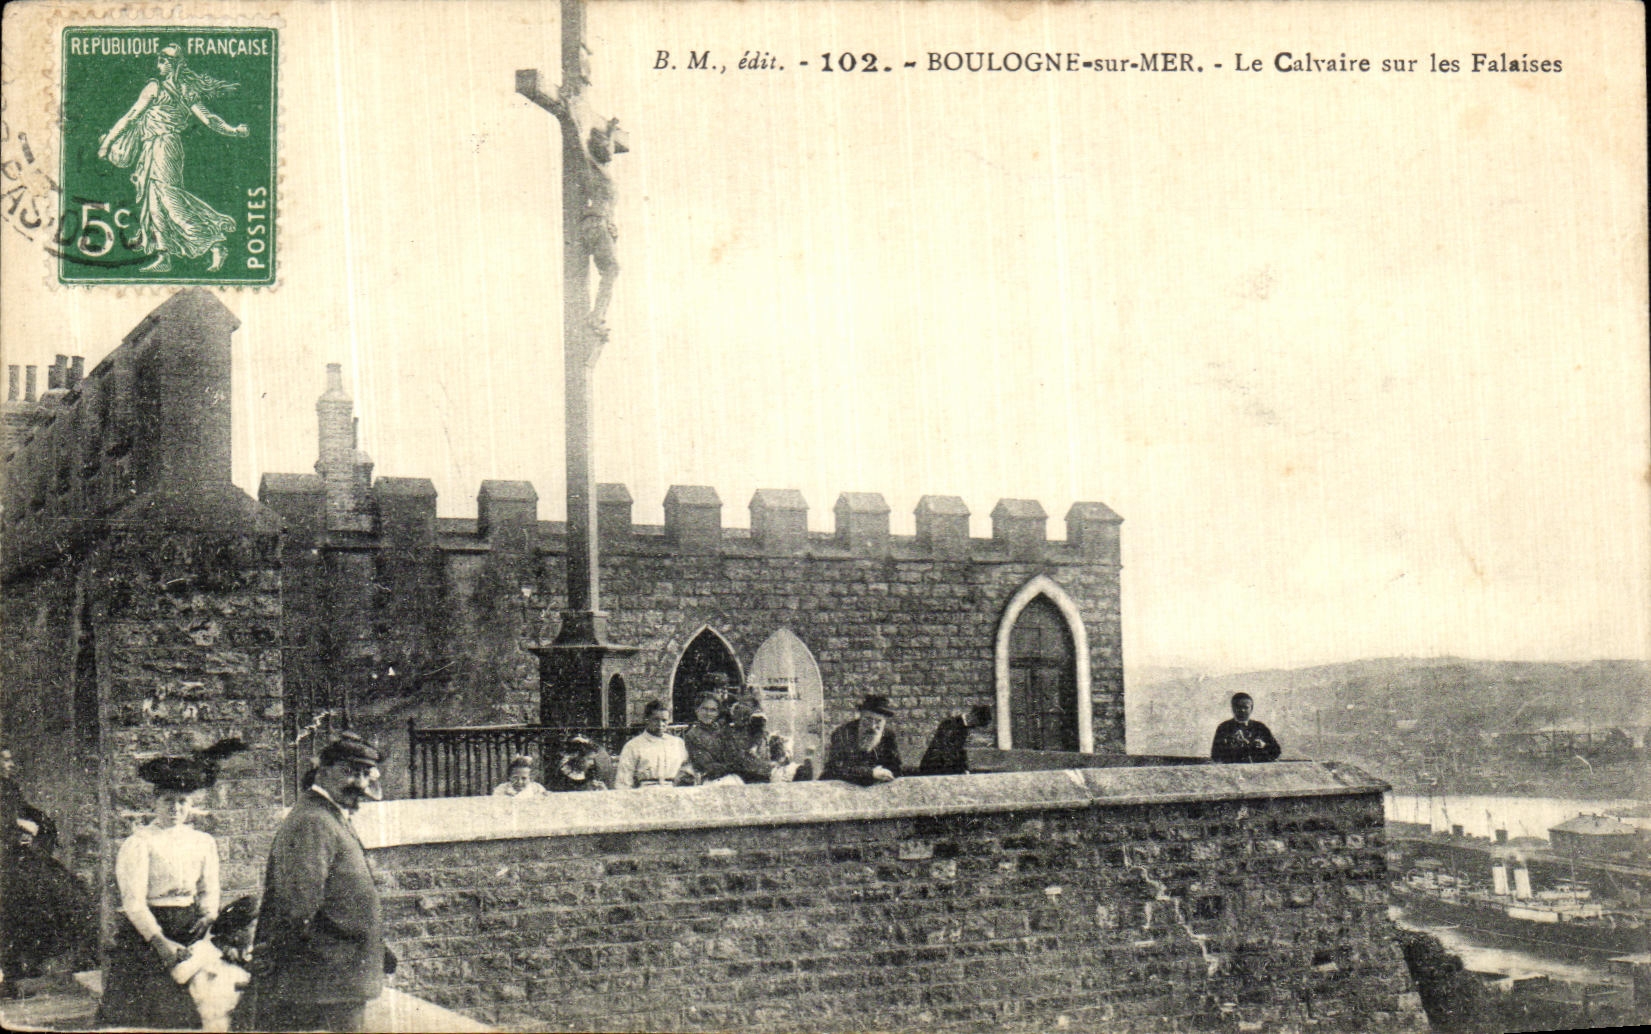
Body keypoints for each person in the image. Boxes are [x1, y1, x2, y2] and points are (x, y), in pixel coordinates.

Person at [94, 738, 244, 1030]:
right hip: (150, 933)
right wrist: (160, 942)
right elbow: (134, 903)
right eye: (168, 801)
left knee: (193, 1008)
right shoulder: (140, 843)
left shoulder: (203, 841)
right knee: (147, 1011)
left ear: (191, 804)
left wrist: (208, 914)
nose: (175, 808)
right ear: (155, 802)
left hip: (189, 927)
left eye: (182, 801)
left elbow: (209, 888)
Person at [250, 733, 389, 1032]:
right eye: (349, 771)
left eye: (365, 774)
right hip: (323, 978)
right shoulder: (313, 820)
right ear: (322, 771)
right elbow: (297, 905)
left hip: (337, 976)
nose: (360, 783)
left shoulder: (330, 816)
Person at [97, 44, 250, 272]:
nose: (158, 65)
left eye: (162, 61)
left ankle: (215, 244)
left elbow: (131, 116)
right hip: (155, 148)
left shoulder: (157, 87)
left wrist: (107, 143)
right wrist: (233, 130)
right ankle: (164, 255)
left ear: (172, 64)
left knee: (171, 202)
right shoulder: (181, 88)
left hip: (164, 147)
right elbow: (210, 120)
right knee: (155, 204)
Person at [822, 695, 903, 786]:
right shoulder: (843, 733)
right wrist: (870, 773)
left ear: (884, 722)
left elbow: (896, 768)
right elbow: (836, 768)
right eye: (868, 719)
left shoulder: (888, 736)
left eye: (878, 721)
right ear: (860, 717)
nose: (872, 727)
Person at [614, 700, 690, 789]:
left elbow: (687, 769)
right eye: (656, 720)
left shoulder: (677, 743)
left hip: (673, 792)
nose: (660, 724)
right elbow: (623, 780)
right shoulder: (633, 746)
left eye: (664, 720)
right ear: (646, 719)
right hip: (646, 794)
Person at [918, 704, 994, 775]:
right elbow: (946, 750)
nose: (975, 727)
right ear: (973, 716)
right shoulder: (950, 724)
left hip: (944, 767)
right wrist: (959, 770)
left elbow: (960, 752)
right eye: (977, 724)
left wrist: (965, 769)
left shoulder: (964, 728)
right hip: (933, 768)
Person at [1211, 693, 1283, 764]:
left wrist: (1264, 746)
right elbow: (1215, 755)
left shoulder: (1260, 727)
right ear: (1232, 708)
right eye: (1238, 707)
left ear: (1251, 708)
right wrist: (1229, 747)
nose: (1242, 710)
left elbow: (1277, 751)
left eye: (1245, 707)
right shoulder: (1223, 728)